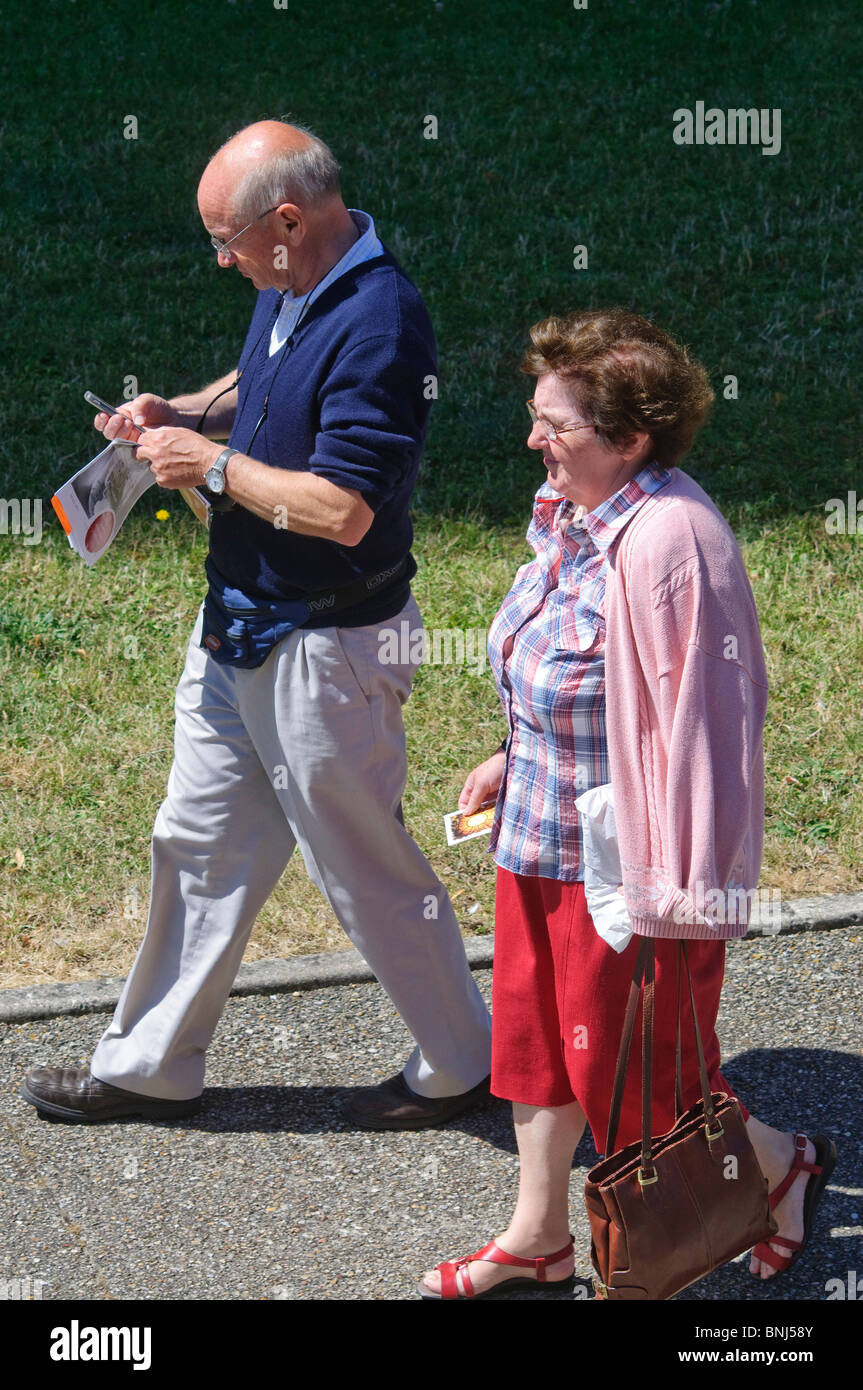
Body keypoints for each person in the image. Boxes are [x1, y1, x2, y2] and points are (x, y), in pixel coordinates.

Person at [22, 120, 491, 1130]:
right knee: (193, 840)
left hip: (328, 648)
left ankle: (462, 1061)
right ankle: (149, 1064)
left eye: (224, 241)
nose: (220, 261)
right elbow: (265, 391)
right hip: (239, 619)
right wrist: (182, 413)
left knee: (361, 868)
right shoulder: (294, 285)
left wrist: (214, 470)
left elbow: (343, 508)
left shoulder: (383, 324)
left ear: (288, 220)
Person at [419, 308, 836, 1298]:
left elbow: (700, 728)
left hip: (622, 872)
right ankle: (536, 1236)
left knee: (640, 1076)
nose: (532, 440)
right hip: (536, 841)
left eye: (552, 426)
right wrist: (511, 750)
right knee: (534, 1053)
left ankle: (776, 1168)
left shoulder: (670, 544)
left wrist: (679, 899)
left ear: (627, 438)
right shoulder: (574, 521)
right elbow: (580, 679)